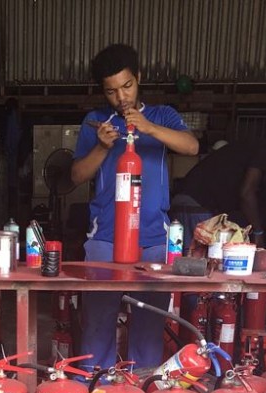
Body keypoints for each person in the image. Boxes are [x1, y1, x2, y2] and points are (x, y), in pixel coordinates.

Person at [71, 44, 199, 371]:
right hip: (105, 237)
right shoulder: (95, 122)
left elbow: (191, 146)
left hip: (154, 237)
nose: (121, 97)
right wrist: (102, 147)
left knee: (149, 324)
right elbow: (76, 176)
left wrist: (148, 127)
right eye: (111, 91)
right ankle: (95, 384)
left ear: (139, 78)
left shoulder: (162, 115)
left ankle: (142, 385)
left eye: (127, 86)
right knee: (98, 320)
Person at [171, 137, 266, 246]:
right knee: (203, 260)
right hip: (201, 208)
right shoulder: (265, 151)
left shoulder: (242, 148)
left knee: (180, 258)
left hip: (181, 201)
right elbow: (247, 193)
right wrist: (258, 231)